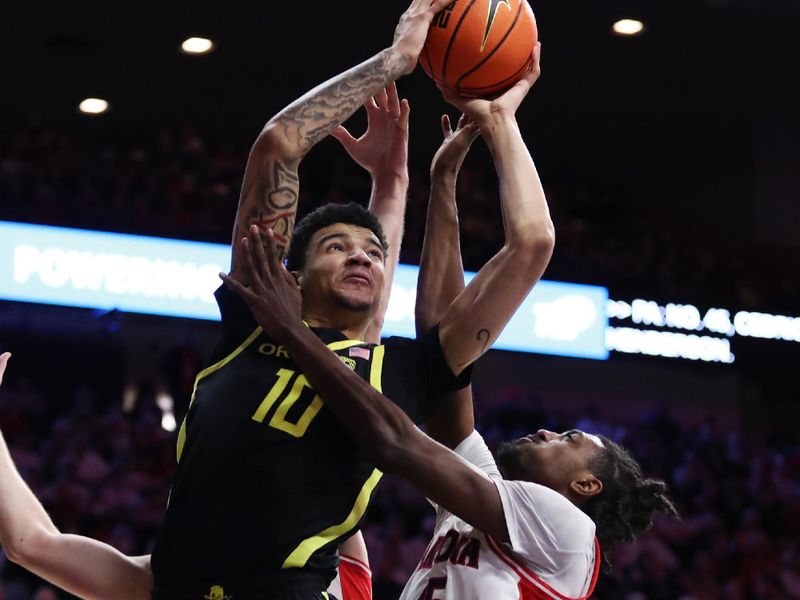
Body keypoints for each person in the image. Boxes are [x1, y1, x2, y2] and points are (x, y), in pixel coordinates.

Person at [222, 54, 677, 597]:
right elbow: (442, 350)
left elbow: (395, 439)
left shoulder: (567, 531)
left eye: (572, 439)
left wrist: (501, 120)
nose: (552, 431)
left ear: (586, 484)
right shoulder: (488, 495)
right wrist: (441, 184)